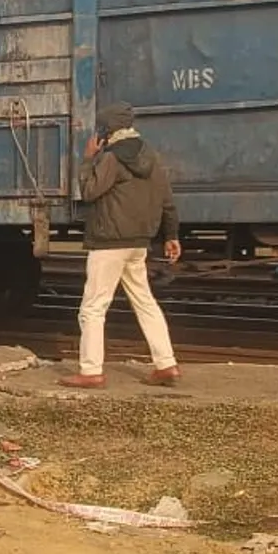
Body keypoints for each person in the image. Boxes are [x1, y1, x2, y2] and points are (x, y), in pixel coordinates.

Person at [62, 102, 182, 389]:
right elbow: (167, 201)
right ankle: (166, 364)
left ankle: (91, 371)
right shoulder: (152, 157)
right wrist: (171, 235)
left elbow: (90, 191)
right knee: (145, 302)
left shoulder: (111, 159)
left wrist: (89, 159)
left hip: (109, 243)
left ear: (107, 130)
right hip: (138, 244)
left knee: (92, 308)